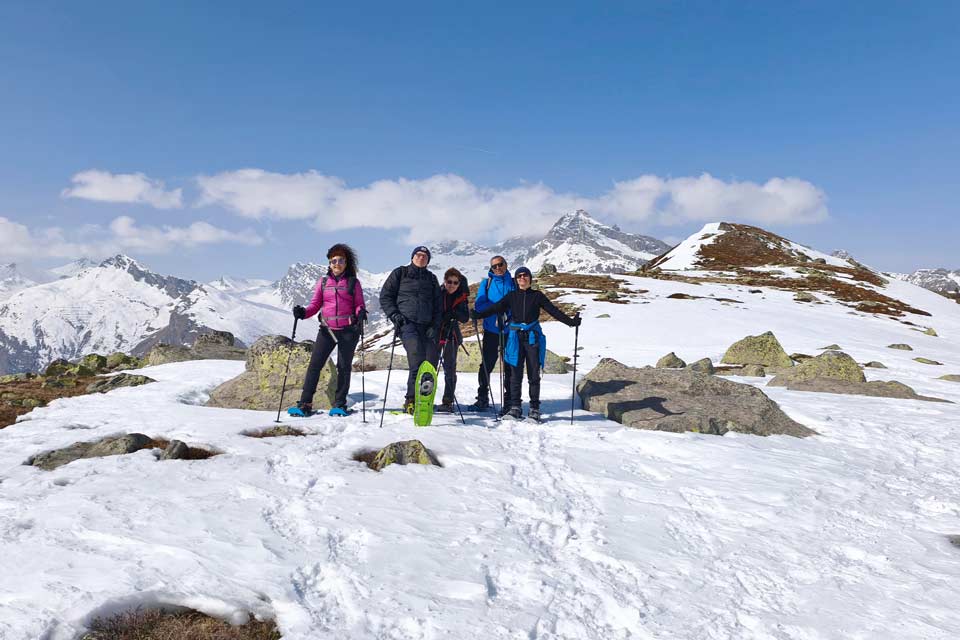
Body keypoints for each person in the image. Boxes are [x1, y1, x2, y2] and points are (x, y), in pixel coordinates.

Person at [471, 266, 580, 423]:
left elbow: (553, 311)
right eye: (519, 276)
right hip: (515, 338)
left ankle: (534, 409)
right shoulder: (511, 296)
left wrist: (571, 322)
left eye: (525, 275)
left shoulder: (537, 296)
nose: (522, 278)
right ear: (516, 280)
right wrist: (479, 315)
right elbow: (495, 308)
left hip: (532, 338)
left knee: (533, 374)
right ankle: (515, 407)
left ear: (530, 278)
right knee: (515, 374)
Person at [289, 243, 368, 417]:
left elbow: (359, 304)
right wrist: (303, 313)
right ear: (329, 263)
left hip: (349, 331)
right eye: (333, 261)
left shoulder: (353, 283)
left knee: (343, 367)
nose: (337, 264)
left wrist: (361, 312)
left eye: (340, 260)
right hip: (327, 330)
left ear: (346, 263)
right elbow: (315, 305)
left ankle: (339, 404)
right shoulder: (323, 282)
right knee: (315, 365)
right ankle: (305, 403)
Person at [379, 245, 442, 413]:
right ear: (412, 257)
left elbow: (438, 306)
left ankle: (425, 399)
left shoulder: (432, 279)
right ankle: (411, 400)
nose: (421, 257)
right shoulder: (400, 273)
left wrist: (435, 326)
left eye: (425, 256)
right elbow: (385, 296)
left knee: (430, 363)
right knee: (417, 358)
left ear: (428, 261)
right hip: (407, 323)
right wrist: (394, 315)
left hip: (427, 326)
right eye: (418, 255)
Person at [468, 254, 515, 414]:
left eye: (500, 264)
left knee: (509, 366)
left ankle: (509, 401)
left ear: (506, 265)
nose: (498, 268)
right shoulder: (486, 283)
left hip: (510, 330)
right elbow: (479, 305)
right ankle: (482, 397)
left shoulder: (514, 282)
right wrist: (498, 308)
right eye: (494, 266)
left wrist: (506, 311)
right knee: (487, 364)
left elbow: (518, 302)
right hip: (491, 330)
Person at [436, 267, 470, 413]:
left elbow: (465, 317)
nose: (452, 285)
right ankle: (426, 398)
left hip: (452, 335)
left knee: (450, 369)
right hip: (436, 334)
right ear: (445, 281)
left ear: (459, 284)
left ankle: (448, 401)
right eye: (449, 282)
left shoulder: (461, 296)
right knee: (430, 368)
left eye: (455, 283)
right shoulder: (437, 293)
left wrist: (453, 313)